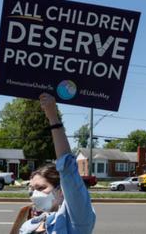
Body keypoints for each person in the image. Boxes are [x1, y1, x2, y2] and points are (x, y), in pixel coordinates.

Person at [18, 93, 96, 234]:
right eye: (31, 189)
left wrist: (52, 117)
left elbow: (67, 167)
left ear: (60, 191)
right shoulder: (30, 224)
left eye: (41, 188)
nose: (34, 194)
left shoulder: (76, 221)